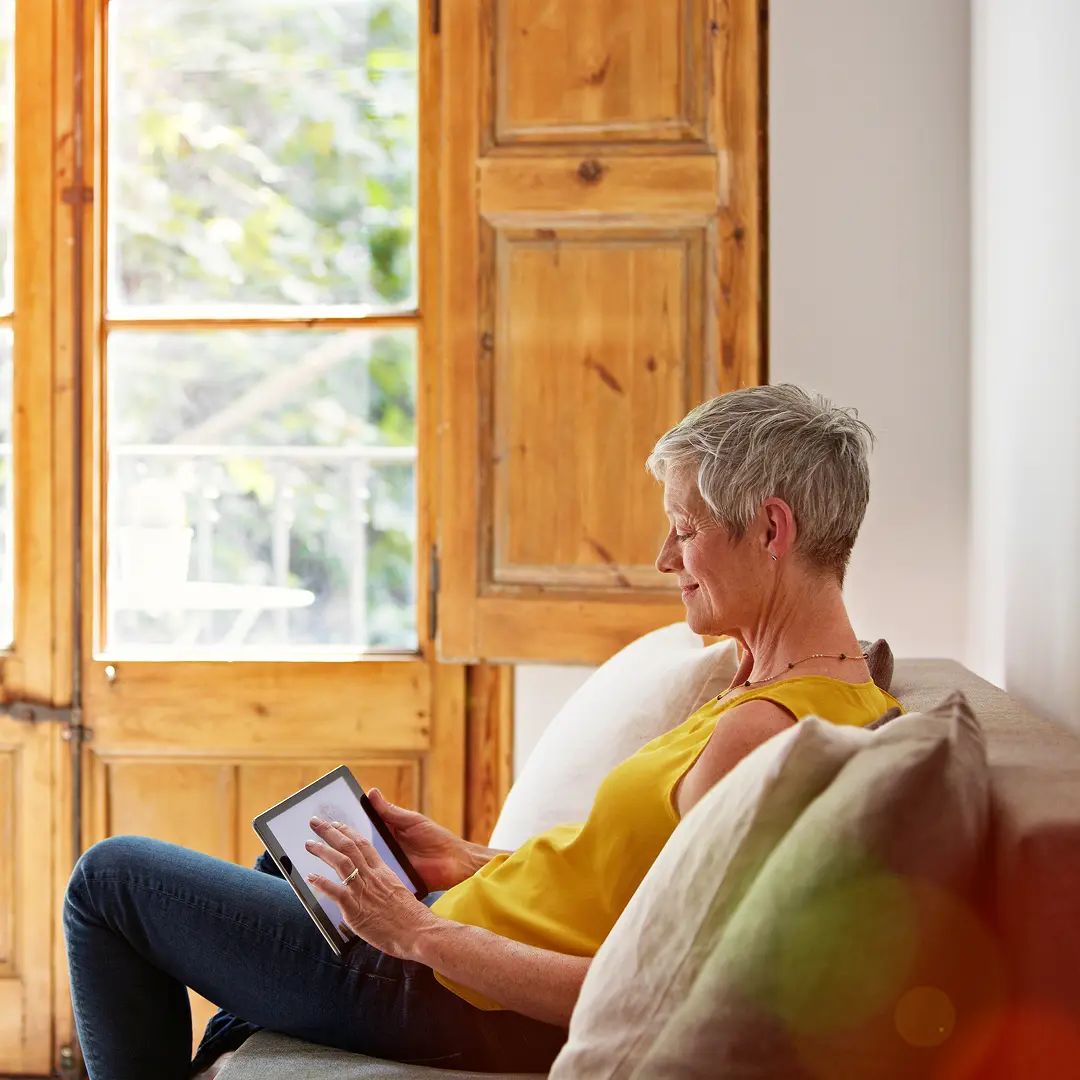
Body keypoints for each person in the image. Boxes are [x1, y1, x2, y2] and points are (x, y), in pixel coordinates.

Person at [63, 384, 903, 1079]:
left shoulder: (764, 741)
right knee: (293, 867)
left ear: (770, 528)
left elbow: (660, 990)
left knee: (109, 881)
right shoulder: (788, 691)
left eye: (684, 530)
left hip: (454, 993)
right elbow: (624, 891)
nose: (663, 559)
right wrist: (466, 861)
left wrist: (419, 932)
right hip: (462, 942)